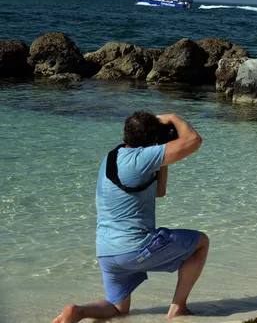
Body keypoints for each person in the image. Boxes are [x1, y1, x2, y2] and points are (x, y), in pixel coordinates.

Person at [52, 111, 209, 323]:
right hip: (135, 248)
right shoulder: (141, 158)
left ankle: (78, 311)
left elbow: (159, 191)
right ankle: (178, 308)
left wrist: (160, 152)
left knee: (119, 309)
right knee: (201, 243)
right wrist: (173, 117)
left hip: (106, 253)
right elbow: (193, 140)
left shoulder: (111, 157)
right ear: (153, 141)